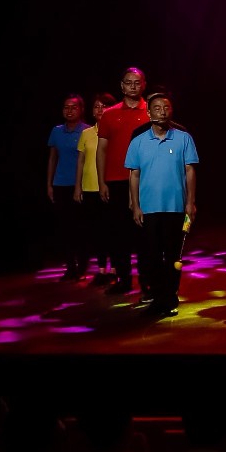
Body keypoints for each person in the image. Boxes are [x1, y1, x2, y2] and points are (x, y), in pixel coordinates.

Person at [124, 93, 199, 318]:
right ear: (148, 113)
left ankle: (170, 297)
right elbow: (134, 174)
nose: (162, 111)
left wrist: (190, 202)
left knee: (173, 256)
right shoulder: (138, 141)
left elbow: (190, 171)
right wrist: (135, 205)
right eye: (157, 108)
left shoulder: (184, 138)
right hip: (148, 209)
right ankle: (157, 298)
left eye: (166, 107)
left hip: (176, 208)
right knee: (152, 256)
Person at [95, 67, 151, 295]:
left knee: (145, 233)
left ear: (143, 85)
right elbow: (101, 150)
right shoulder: (109, 114)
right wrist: (102, 182)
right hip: (117, 180)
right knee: (119, 233)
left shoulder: (151, 111)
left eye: (137, 82)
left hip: (146, 180)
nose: (133, 86)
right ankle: (124, 279)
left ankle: (147, 280)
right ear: (121, 85)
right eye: (129, 82)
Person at [73, 91, 117, 284]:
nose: (100, 110)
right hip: (89, 188)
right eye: (96, 106)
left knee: (112, 230)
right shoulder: (86, 133)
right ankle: (101, 270)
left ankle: (115, 269)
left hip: (109, 186)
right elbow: (80, 161)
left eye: (104, 106)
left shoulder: (115, 131)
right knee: (97, 231)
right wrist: (77, 187)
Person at [47, 95, 88, 280]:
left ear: (81, 110)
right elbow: (52, 158)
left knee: (80, 227)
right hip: (61, 184)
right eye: (66, 107)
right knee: (65, 229)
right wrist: (49, 184)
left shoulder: (86, 131)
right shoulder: (56, 131)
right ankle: (70, 267)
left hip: (81, 185)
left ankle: (82, 266)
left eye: (73, 107)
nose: (69, 110)